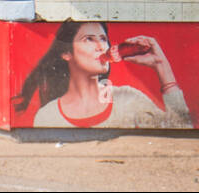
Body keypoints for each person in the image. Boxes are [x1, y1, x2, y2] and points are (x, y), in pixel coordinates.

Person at [13, 21, 190, 129]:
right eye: (89, 39)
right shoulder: (48, 116)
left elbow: (182, 128)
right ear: (66, 53)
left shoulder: (127, 99)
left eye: (103, 39)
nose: (101, 47)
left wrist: (162, 66)